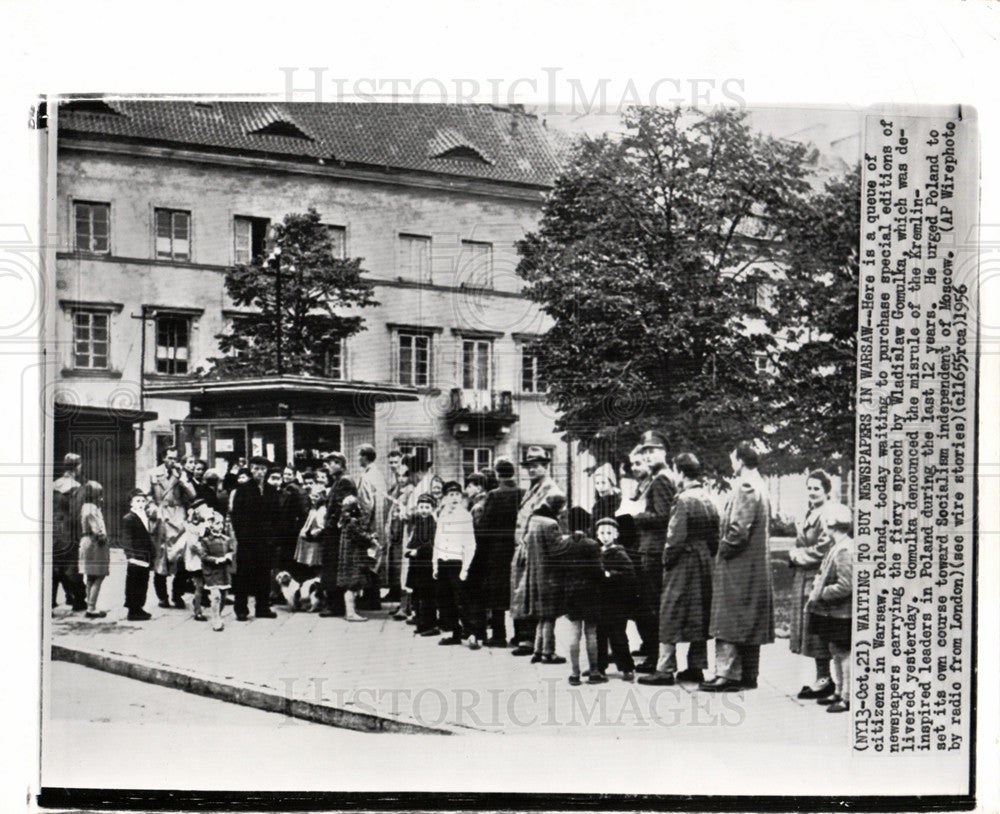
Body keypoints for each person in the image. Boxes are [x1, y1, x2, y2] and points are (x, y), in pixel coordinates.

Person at [701, 442, 775, 692]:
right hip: (753, 565)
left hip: (738, 565)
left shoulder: (745, 486)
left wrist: (721, 551)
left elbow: (738, 531)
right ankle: (748, 674)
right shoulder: (760, 485)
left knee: (729, 616)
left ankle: (727, 674)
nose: (732, 464)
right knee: (749, 617)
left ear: (741, 461)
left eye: (733, 459)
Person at [639, 453, 718, 686]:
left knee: (670, 611)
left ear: (681, 472)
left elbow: (674, 537)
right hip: (704, 561)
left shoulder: (682, 500)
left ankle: (665, 668)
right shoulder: (708, 497)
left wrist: (666, 561)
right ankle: (696, 666)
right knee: (699, 613)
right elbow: (716, 535)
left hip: (684, 561)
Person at [788, 469, 839, 700]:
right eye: (809, 488)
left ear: (826, 491)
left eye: (816, 488)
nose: (812, 492)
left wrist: (797, 555)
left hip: (819, 576)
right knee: (811, 627)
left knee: (819, 628)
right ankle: (823, 677)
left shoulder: (827, 514)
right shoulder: (812, 512)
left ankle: (826, 679)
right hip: (806, 576)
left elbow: (823, 548)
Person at [510, 446, 564, 656]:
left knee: (530, 592)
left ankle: (529, 640)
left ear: (546, 466)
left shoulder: (552, 491)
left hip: (537, 549)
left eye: (536, 466)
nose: (531, 470)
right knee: (521, 591)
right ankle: (524, 636)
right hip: (524, 547)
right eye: (529, 467)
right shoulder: (534, 488)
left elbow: (554, 522)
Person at [632, 431, 677, 673]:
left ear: (664, 452)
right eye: (645, 451)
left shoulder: (661, 480)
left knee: (652, 606)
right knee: (651, 604)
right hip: (652, 549)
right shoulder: (660, 477)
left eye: (653, 450)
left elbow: (664, 517)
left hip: (654, 550)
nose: (648, 455)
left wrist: (636, 515)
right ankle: (656, 655)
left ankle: (656, 658)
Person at [805, 502, 854, 713]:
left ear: (832, 524)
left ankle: (847, 696)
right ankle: (839, 692)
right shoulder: (839, 545)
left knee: (843, 653)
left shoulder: (844, 550)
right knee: (836, 650)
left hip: (842, 612)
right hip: (836, 612)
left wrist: (822, 593)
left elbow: (846, 585)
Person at [471, 457, 521, 647]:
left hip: (496, 551)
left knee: (496, 593)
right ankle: (520, 635)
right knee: (515, 591)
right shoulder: (522, 493)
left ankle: (499, 636)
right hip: (515, 548)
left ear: (497, 474)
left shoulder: (494, 495)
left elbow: (485, 525)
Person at [522, 490, 569, 665]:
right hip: (549, 576)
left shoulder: (534, 520)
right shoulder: (551, 524)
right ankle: (548, 652)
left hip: (535, 574)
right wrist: (568, 540)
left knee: (542, 616)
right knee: (549, 616)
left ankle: (537, 650)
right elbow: (557, 550)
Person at [230, 456, 279, 621]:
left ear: (267, 471)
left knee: (264, 574)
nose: (260, 472)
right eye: (256, 468)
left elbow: (276, 515)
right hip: (248, 539)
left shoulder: (272, 490)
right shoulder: (243, 489)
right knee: (244, 574)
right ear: (251, 469)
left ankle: (262, 607)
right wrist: (242, 536)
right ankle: (241, 609)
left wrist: (272, 536)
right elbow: (236, 516)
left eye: (263, 469)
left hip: (265, 540)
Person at [433, 481, 480, 648]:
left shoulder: (465, 516)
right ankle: (455, 632)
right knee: (446, 600)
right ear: (445, 497)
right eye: (450, 495)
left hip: (457, 563)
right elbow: (438, 540)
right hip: (443, 561)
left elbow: (470, 544)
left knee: (462, 600)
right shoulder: (443, 515)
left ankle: (472, 633)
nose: (454, 498)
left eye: (457, 495)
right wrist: (435, 565)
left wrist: (465, 569)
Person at [151, 446, 197, 609]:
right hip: (162, 518)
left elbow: (193, 495)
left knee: (183, 558)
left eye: (175, 458)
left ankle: (178, 594)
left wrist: (183, 478)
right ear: (163, 458)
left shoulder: (181, 474)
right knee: (161, 559)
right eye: (170, 458)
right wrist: (153, 509)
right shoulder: (154, 473)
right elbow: (146, 495)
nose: (173, 461)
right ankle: (163, 597)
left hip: (179, 517)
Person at [595, 518, 637, 681]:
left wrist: (610, 574)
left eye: (609, 533)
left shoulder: (619, 553)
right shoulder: (598, 552)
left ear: (616, 534)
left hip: (617, 602)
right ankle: (599, 667)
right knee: (600, 635)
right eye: (602, 533)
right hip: (601, 602)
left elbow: (629, 575)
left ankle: (627, 667)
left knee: (618, 635)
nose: (605, 537)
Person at [561, 526, 604, 685]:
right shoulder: (592, 545)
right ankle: (594, 672)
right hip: (590, 592)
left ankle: (574, 674)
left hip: (571, 593)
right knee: (591, 633)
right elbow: (598, 571)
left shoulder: (564, 544)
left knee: (574, 633)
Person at [319, 452, 357, 617]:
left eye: (330, 463)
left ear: (340, 464)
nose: (327, 466)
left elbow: (342, 507)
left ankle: (335, 605)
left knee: (333, 567)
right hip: (334, 531)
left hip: (336, 532)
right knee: (332, 567)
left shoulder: (344, 481)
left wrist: (331, 524)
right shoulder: (339, 480)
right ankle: (335, 604)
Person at [52, 452, 87, 611]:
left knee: (55, 564)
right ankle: (78, 600)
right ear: (76, 467)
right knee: (72, 565)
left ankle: (51, 600)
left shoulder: (54, 484)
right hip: (68, 529)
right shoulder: (75, 487)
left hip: (54, 528)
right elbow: (75, 513)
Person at [336, 495, 377, 622]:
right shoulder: (353, 521)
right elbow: (360, 535)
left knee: (350, 585)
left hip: (347, 557)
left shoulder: (344, 520)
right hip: (354, 557)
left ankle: (350, 610)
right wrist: (372, 538)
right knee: (352, 585)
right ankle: (350, 612)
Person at [356, 443, 387, 609]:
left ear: (364, 457)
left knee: (369, 560)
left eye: (359, 455)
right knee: (375, 559)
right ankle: (373, 598)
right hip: (380, 524)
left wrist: (362, 527)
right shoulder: (378, 475)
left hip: (371, 525)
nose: (358, 458)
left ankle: (372, 599)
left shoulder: (367, 477)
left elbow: (366, 505)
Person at [405, 493, 439, 636]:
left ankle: (430, 625)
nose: (424, 510)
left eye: (427, 507)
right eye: (421, 507)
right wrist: (409, 550)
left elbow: (432, 544)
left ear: (432, 508)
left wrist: (416, 551)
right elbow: (412, 540)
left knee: (427, 596)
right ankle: (420, 623)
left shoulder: (433, 524)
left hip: (426, 565)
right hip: (417, 565)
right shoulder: (418, 522)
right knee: (417, 595)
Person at [196, 510, 236, 631]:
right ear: (211, 524)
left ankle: (219, 613)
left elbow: (231, 550)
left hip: (224, 572)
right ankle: (216, 619)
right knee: (216, 596)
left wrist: (229, 556)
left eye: (222, 523)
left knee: (223, 597)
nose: (220, 526)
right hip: (212, 572)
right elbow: (203, 556)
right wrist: (216, 560)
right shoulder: (205, 540)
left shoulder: (226, 539)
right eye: (217, 523)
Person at [121, 488, 155, 621]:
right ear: (131, 503)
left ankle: (139, 607)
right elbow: (127, 538)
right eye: (137, 501)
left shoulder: (144, 516)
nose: (140, 503)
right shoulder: (129, 518)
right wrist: (130, 555)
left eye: (142, 501)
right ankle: (133, 609)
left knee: (143, 582)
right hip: (136, 557)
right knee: (134, 583)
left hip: (145, 555)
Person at [77, 481, 109, 618]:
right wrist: (103, 537)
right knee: (99, 575)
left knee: (91, 576)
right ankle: (91, 607)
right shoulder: (91, 509)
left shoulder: (87, 507)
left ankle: (90, 604)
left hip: (88, 541)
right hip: (94, 543)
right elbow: (97, 529)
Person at [182, 500, 213, 621]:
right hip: (197, 561)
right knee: (199, 585)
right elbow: (193, 545)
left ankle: (198, 601)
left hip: (204, 560)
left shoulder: (206, 524)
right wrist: (204, 553)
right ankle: (197, 611)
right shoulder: (192, 527)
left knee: (204, 585)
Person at [294, 484, 327, 576]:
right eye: (312, 495)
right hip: (308, 543)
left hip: (314, 543)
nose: (313, 498)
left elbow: (321, 527)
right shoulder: (313, 509)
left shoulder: (322, 510)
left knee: (315, 565)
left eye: (316, 496)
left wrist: (311, 534)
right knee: (309, 566)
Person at [590, 463, 622, 531]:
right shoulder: (597, 505)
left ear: (611, 483)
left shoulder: (619, 502)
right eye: (597, 483)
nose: (600, 487)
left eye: (603, 482)